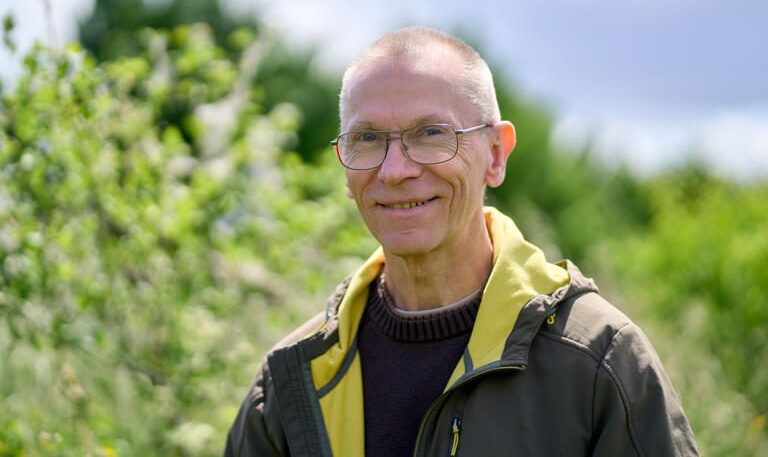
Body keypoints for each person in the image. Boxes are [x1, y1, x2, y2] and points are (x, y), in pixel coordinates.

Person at [224, 27, 698, 456]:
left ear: (495, 154)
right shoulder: (291, 379)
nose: (395, 170)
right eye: (366, 138)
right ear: (344, 167)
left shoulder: (598, 361)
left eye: (431, 134)